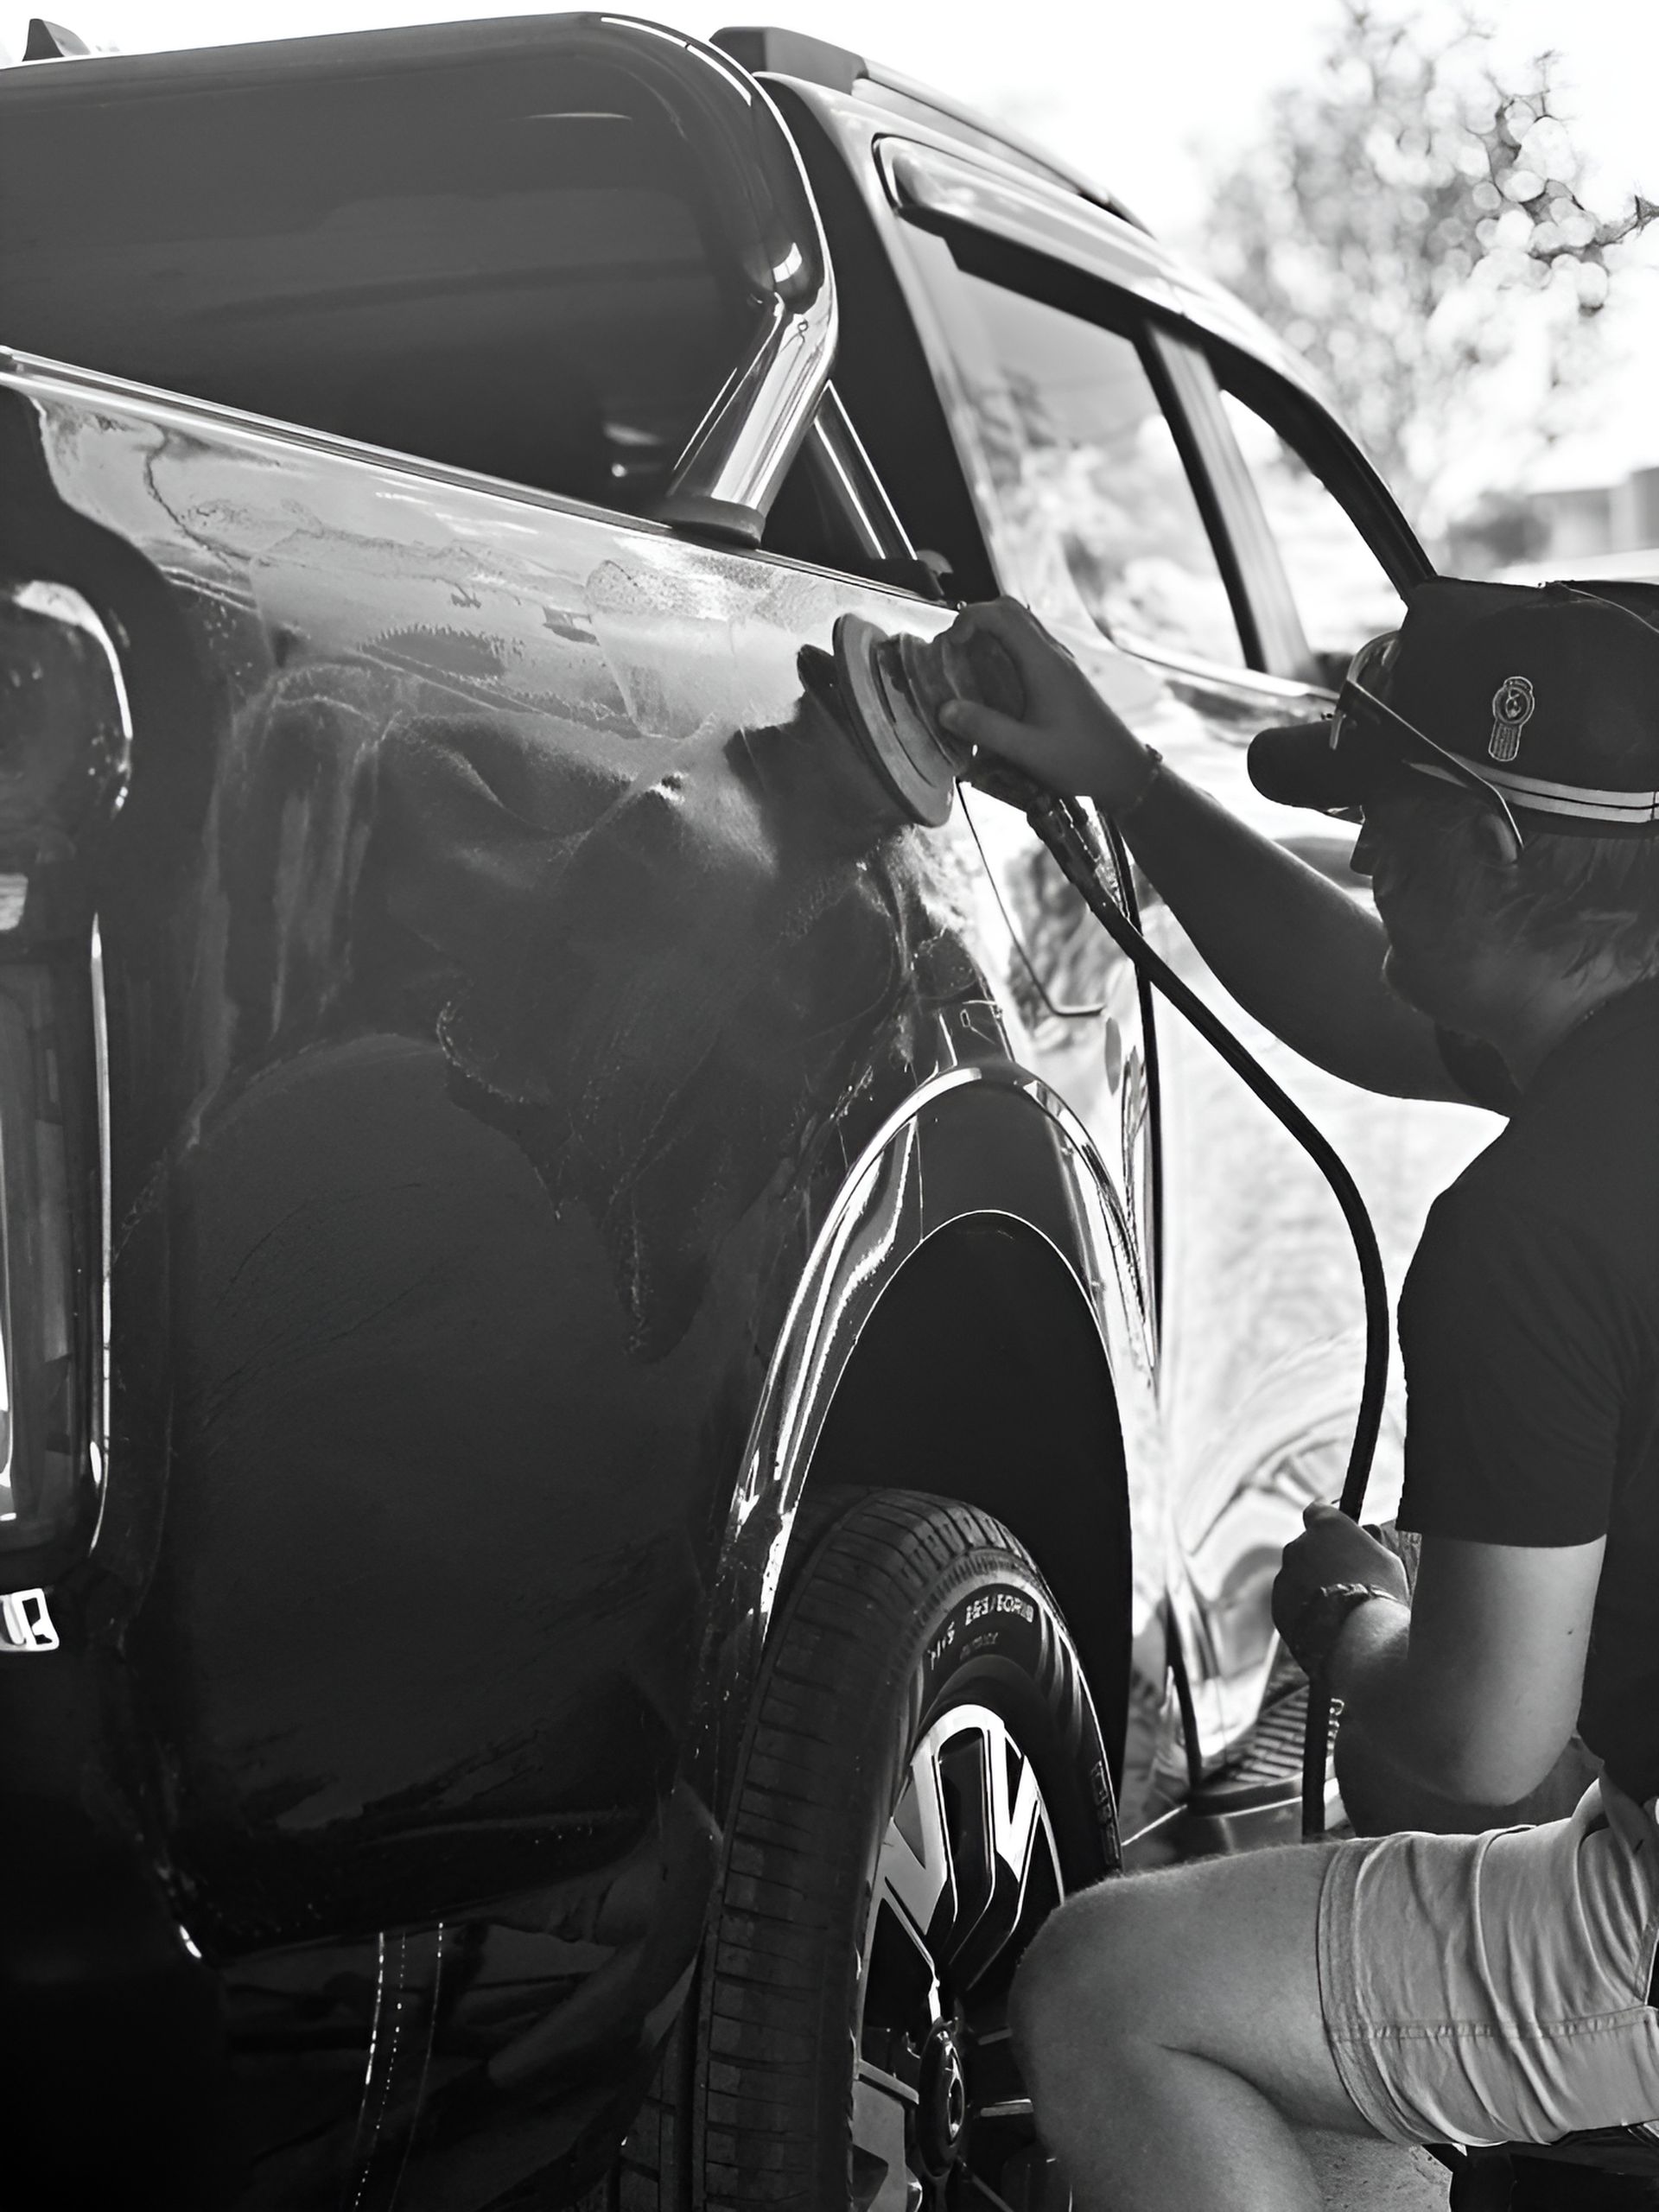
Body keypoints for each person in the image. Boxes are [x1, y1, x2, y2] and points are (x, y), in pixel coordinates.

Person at [933, 576, 1659, 2210]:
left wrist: (1351, 1614)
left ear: (1499, 847)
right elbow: (1364, 995)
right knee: (1312, 2009)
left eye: (1386, 816)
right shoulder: (1617, 1045)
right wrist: (1122, 778)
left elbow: (1477, 1743)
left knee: (1113, 1990)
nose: (1365, 854)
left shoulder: (1530, 1227)